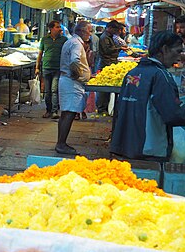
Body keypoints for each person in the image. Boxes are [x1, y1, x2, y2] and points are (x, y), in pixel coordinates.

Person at [110, 31, 185, 161]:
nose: (179, 57)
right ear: (164, 49)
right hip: (149, 149)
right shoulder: (161, 76)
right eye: (177, 51)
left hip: (126, 145)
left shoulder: (133, 73)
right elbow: (174, 115)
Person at [55, 20, 93, 155]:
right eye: (89, 31)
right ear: (82, 31)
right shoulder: (76, 44)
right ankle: (61, 144)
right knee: (69, 113)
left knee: (66, 113)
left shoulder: (72, 42)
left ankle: (61, 142)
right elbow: (74, 61)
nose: (91, 34)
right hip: (71, 82)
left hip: (67, 80)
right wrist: (78, 76)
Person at [35, 20, 67, 119]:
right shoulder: (44, 39)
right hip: (46, 67)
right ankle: (48, 110)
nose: (60, 29)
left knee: (54, 90)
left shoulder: (64, 40)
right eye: (57, 27)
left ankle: (54, 111)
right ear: (51, 28)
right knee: (47, 91)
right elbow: (40, 54)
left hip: (58, 68)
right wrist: (37, 68)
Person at [97, 20, 127, 113]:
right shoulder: (104, 37)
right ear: (109, 28)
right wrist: (120, 48)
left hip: (110, 63)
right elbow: (107, 50)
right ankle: (102, 108)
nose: (116, 32)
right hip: (106, 63)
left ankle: (105, 108)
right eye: (114, 29)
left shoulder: (110, 36)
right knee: (104, 89)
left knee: (108, 88)